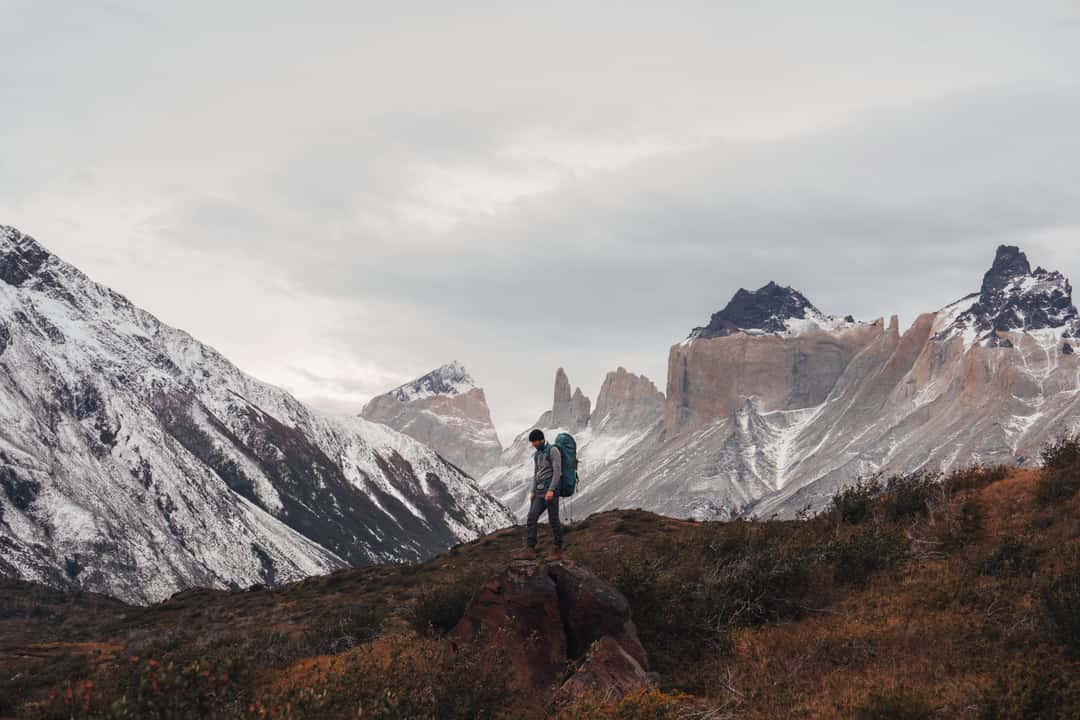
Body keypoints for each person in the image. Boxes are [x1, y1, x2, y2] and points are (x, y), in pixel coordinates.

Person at [523, 429, 563, 557]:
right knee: (531, 517)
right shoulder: (536, 455)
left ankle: (558, 545)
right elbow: (536, 474)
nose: (533, 444)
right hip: (539, 492)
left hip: (551, 491)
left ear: (541, 440)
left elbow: (557, 472)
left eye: (534, 442)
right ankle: (530, 547)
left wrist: (551, 490)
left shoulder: (553, 451)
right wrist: (533, 491)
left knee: (553, 519)